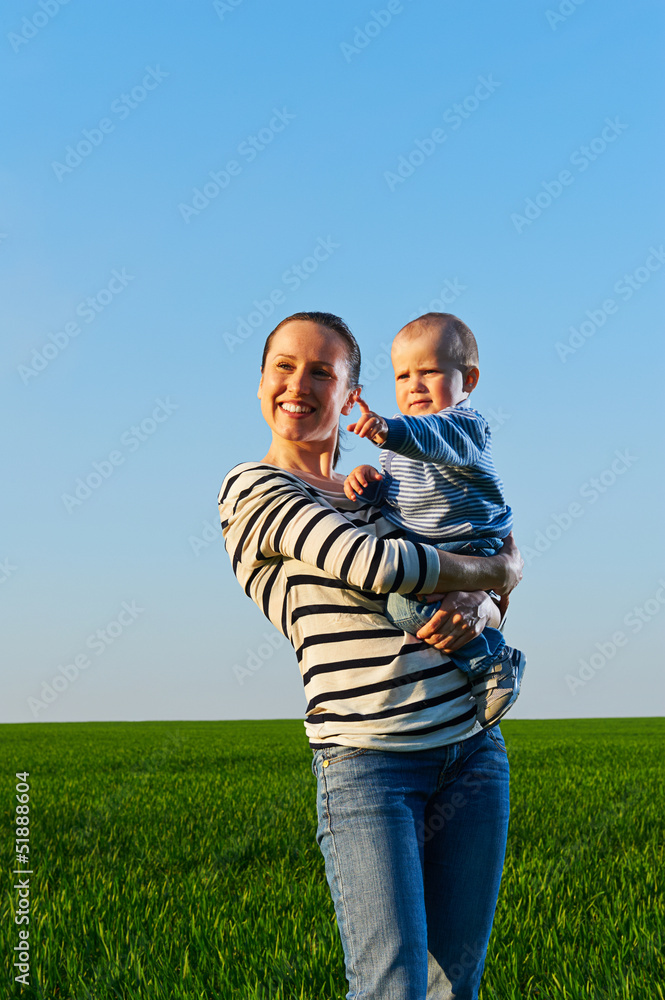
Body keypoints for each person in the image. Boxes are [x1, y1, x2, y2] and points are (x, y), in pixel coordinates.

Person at [218, 311, 524, 1000]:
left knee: (456, 987)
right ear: (261, 380)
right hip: (370, 767)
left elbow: (466, 546)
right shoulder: (255, 488)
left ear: (350, 392)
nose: (299, 384)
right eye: (284, 366)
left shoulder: (385, 487)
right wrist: (496, 576)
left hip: (473, 753)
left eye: (322, 371)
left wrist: (487, 605)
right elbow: (375, 564)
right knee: (392, 988)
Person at [343, 312, 526, 728]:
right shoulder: (396, 444)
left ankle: (493, 661)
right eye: (403, 376)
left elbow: (437, 443)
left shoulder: (465, 425)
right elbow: (402, 497)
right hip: (436, 550)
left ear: (470, 381)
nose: (414, 385)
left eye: (429, 371)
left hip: (472, 542)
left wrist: (390, 430)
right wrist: (371, 484)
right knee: (403, 605)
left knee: (406, 603)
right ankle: (483, 659)